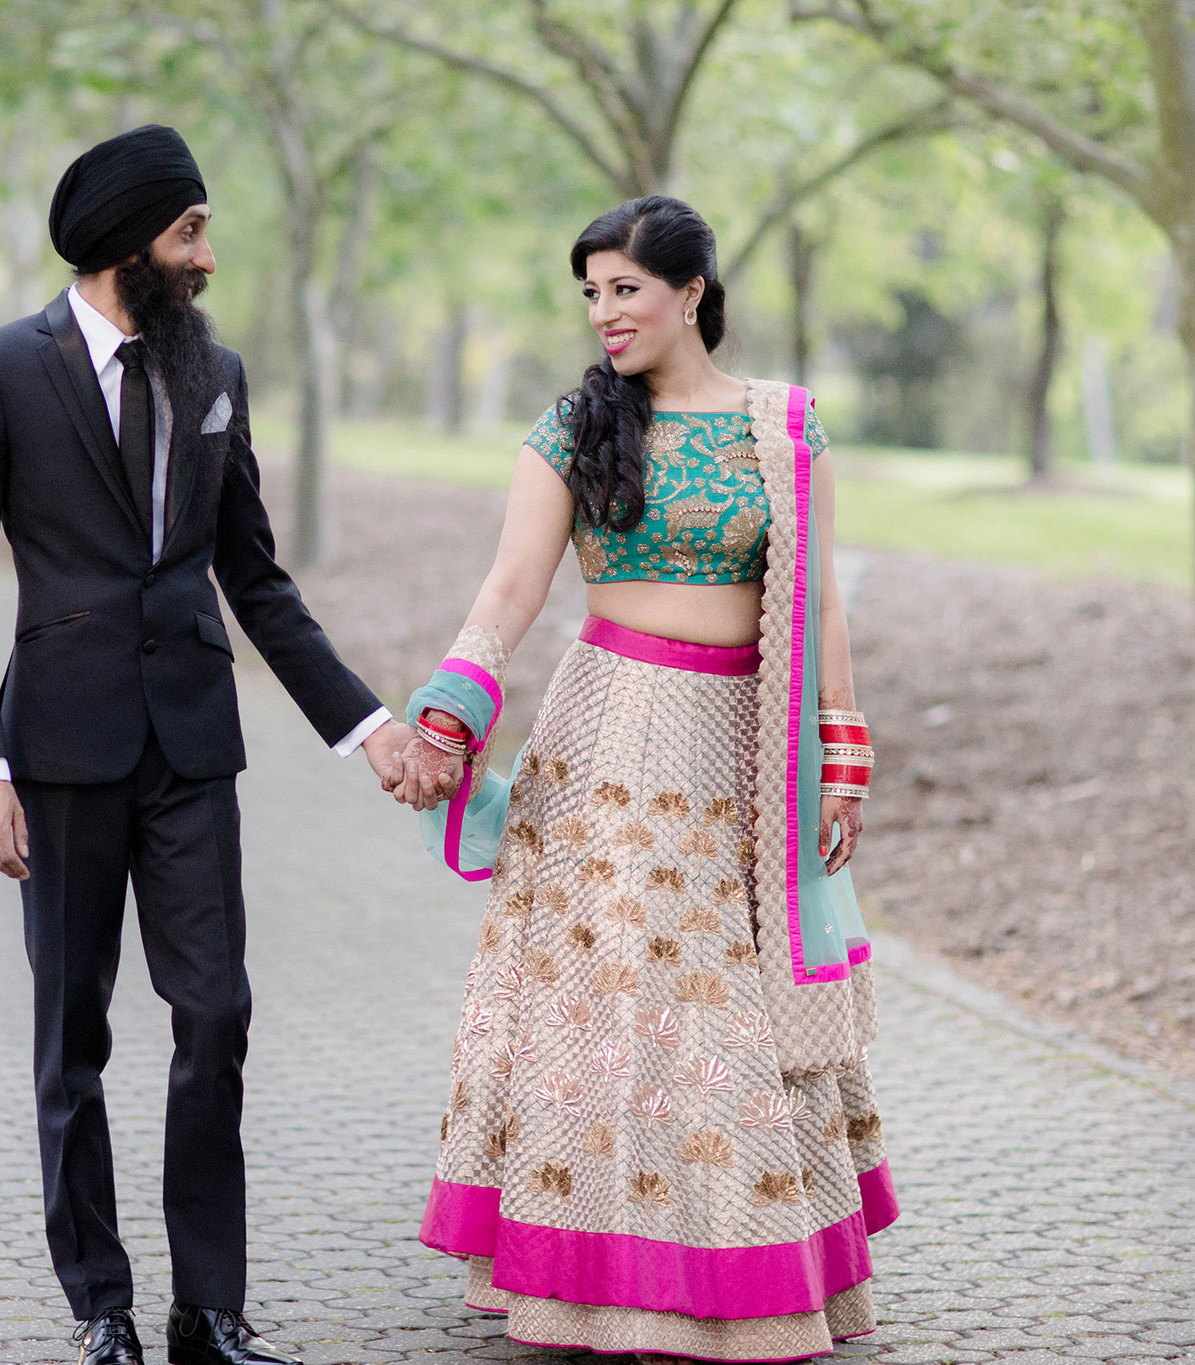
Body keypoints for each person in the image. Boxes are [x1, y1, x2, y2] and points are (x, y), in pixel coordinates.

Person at [0, 124, 414, 1365]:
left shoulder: (215, 374)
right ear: (121, 241)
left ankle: (208, 1308)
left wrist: (364, 725)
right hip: (56, 750)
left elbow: (253, 577)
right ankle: (101, 1308)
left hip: (192, 749)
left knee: (215, 1014)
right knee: (71, 1037)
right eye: (189, 231)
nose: (205, 256)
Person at [392, 196, 897, 1362]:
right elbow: (509, 589)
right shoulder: (572, 427)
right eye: (590, 293)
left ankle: (740, 1266)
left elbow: (818, 604)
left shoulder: (783, 428)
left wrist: (840, 758)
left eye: (623, 289)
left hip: (744, 749)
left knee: (732, 1003)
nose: (603, 313)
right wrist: (449, 711)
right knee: (611, 997)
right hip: (608, 739)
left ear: (691, 293)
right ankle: (594, 1279)